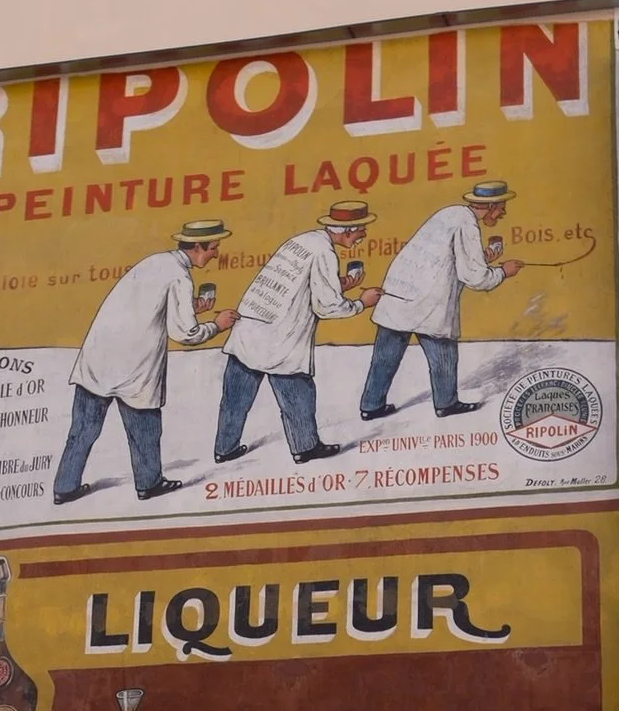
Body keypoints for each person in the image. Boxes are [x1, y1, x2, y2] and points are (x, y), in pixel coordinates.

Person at [54, 219, 235, 504]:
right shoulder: (180, 276)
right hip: (135, 366)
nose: (216, 254)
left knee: (82, 430)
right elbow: (184, 333)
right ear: (198, 247)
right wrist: (217, 325)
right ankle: (149, 484)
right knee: (145, 430)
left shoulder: (155, 262)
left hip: (98, 358)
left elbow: (148, 307)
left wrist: (191, 308)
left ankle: (64, 487)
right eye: (213, 248)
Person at [215, 200, 382, 466]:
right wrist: (363, 302)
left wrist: (341, 284)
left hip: (249, 330)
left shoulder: (303, 240)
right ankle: (305, 447)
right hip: (280, 338)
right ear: (348, 230)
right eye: (361, 230)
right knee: (298, 395)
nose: (364, 235)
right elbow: (326, 306)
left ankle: (224, 448)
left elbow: (300, 284)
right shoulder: (325, 253)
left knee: (235, 397)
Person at [359, 180, 525, 421]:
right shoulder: (467, 224)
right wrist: (503, 272)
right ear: (489, 206)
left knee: (386, 354)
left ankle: (371, 406)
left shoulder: (450, 213)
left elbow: (447, 256)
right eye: (501, 207)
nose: (503, 213)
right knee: (443, 351)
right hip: (427, 302)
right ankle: (446, 403)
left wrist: (483, 256)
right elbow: (474, 277)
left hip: (398, 292)